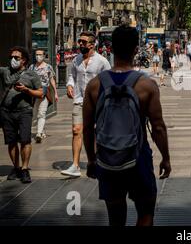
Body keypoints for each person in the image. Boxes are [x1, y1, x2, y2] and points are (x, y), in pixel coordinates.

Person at [83, 25, 171, 226]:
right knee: (146, 212)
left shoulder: (95, 85)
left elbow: (87, 128)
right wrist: (166, 158)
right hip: (138, 157)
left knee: (115, 219)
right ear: (135, 50)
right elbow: (158, 127)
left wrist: (91, 160)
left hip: (107, 159)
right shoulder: (146, 85)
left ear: (111, 48)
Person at [62, 32, 111, 177]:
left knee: (97, 133)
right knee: (76, 130)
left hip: (97, 103)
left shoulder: (102, 61)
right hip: (79, 100)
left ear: (92, 44)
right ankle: (75, 165)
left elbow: (109, 81)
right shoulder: (76, 60)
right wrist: (70, 85)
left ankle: (98, 162)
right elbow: (72, 75)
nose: (81, 44)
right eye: (80, 41)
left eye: (84, 42)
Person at [0, 47, 43, 183]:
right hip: (6, 111)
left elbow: (40, 93)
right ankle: (16, 167)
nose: (13, 60)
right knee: (11, 142)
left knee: (25, 140)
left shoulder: (31, 75)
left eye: (16, 57)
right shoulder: (5, 71)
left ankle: (24, 169)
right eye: (11, 57)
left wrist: (26, 90)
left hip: (24, 111)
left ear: (23, 60)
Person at [29, 49, 58, 143]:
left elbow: (52, 80)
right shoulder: (32, 67)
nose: (38, 56)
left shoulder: (48, 67)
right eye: (36, 54)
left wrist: (56, 93)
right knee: (34, 113)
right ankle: (41, 131)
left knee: (42, 113)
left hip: (44, 93)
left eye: (40, 54)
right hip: (33, 93)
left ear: (44, 56)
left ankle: (38, 134)